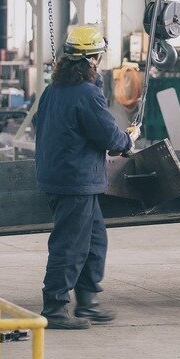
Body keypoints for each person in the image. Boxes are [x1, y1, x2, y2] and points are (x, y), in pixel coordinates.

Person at [33, 25, 139, 329]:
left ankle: (88, 303)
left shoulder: (54, 91)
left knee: (94, 240)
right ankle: (53, 308)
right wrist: (128, 142)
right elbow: (107, 134)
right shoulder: (87, 93)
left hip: (66, 177)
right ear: (93, 60)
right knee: (70, 245)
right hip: (74, 181)